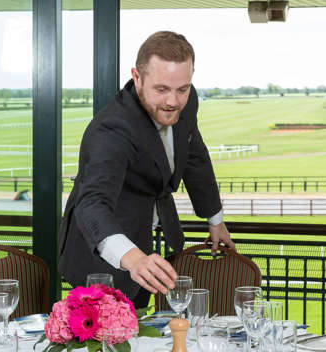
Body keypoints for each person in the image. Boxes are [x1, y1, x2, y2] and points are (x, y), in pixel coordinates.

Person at [58, 31, 236, 308]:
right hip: (104, 252)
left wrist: (216, 220)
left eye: (182, 89)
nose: (173, 102)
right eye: (162, 89)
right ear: (137, 78)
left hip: (146, 242)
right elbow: (91, 204)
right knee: (108, 341)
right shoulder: (113, 129)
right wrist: (133, 258)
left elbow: (195, 156)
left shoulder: (185, 103)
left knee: (142, 330)